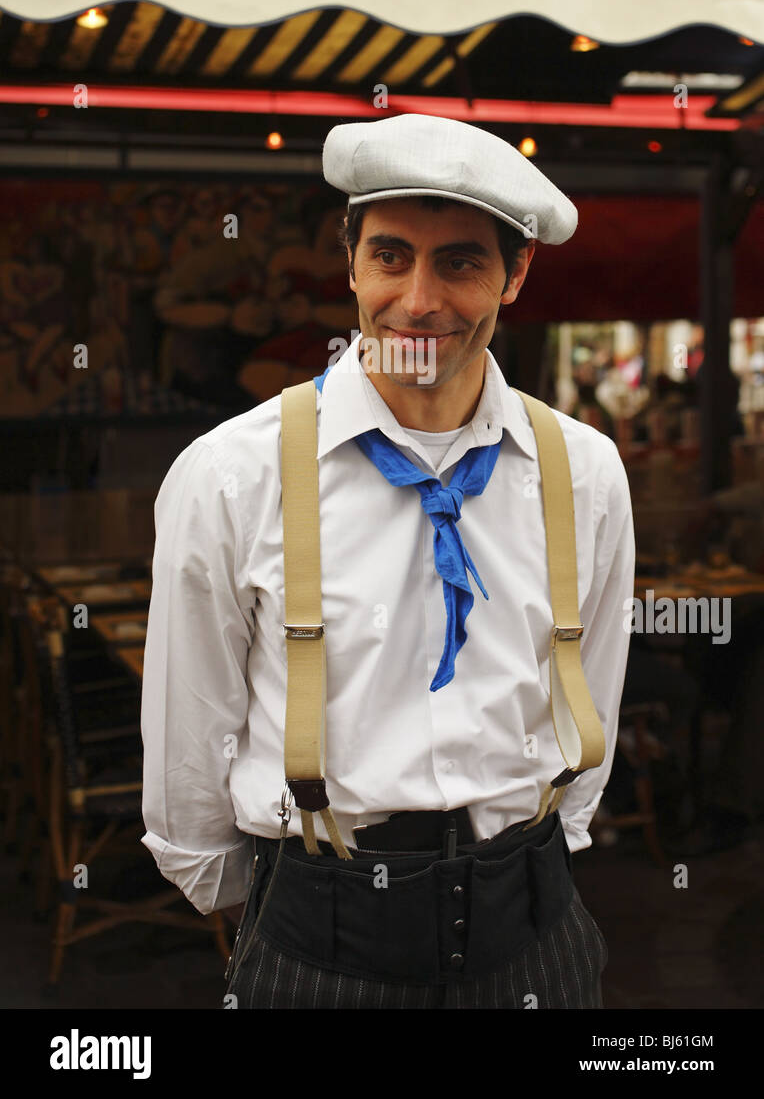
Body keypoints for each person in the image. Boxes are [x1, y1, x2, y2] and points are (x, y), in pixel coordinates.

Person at [140, 113, 635, 1009]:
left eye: (461, 262)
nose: (418, 302)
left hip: (535, 939)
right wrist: (280, 908)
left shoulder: (584, 470)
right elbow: (188, 740)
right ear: (353, 264)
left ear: (515, 275)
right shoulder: (232, 473)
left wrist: (533, 854)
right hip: (319, 945)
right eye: (392, 255)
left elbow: (590, 696)